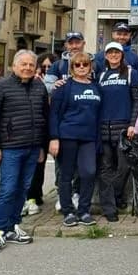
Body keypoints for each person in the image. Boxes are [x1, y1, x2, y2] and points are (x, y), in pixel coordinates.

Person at [0, 50, 49, 253]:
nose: (28, 68)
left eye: (31, 65)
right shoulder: (1, 86)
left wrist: (42, 146)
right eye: (24, 64)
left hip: (32, 147)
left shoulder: (39, 86)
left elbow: (44, 118)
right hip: (10, 148)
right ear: (14, 66)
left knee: (23, 189)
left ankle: (13, 226)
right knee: (8, 189)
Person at [48, 52, 102, 228]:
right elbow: (54, 114)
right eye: (77, 65)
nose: (81, 67)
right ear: (71, 68)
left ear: (90, 67)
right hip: (67, 136)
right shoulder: (63, 87)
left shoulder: (96, 87)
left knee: (89, 172)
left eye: (85, 64)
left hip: (89, 138)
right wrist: (54, 138)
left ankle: (84, 210)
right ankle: (68, 211)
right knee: (66, 175)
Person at [97, 42, 138, 222]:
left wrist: (133, 124)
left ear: (122, 55)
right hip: (103, 128)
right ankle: (109, 208)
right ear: (106, 56)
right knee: (105, 169)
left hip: (123, 128)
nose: (114, 55)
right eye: (110, 52)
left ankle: (116, 197)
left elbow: (137, 100)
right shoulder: (101, 75)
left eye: (117, 52)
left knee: (124, 167)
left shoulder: (131, 73)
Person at [24, 52, 57, 214]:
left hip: (55, 125)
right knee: (38, 164)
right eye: (43, 66)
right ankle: (33, 195)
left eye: (50, 66)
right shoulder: (34, 82)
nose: (46, 69)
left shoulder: (58, 80)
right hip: (39, 128)